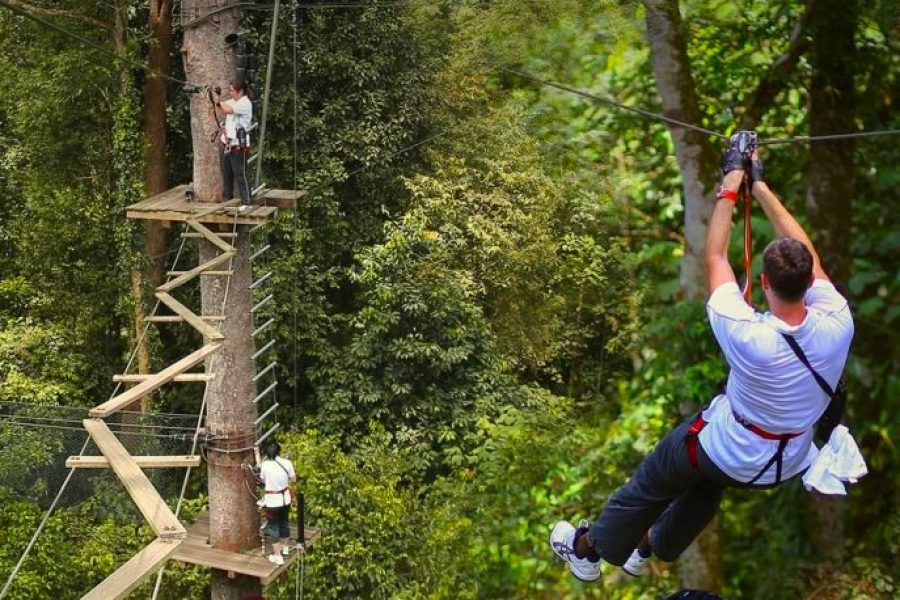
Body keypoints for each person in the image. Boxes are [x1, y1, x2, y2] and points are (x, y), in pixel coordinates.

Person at [550, 137, 855, 582]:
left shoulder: (749, 336)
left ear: (765, 283)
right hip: (787, 462)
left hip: (732, 449)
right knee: (707, 482)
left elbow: (714, 256)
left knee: (658, 474)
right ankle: (649, 548)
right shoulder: (837, 322)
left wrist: (733, 181)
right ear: (811, 281)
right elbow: (807, 252)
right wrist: (762, 188)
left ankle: (589, 550)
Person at [258, 439, 297, 565]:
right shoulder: (287, 462)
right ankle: (285, 548)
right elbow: (294, 479)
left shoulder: (265, 465)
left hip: (273, 501)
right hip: (285, 499)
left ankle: (277, 556)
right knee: (284, 522)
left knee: (273, 527)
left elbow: (262, 479)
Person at [217, 79, 253, 208]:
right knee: (227, 173)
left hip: (239, 144)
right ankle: (227, 199)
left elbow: (226, 109)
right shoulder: (234, 101)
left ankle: (247, 202)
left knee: (240, 173)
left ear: (240, 91)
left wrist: (219, 103)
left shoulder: (245, 103)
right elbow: (220, 105)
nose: (230, 92)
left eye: (232, 90)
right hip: (228, 143)